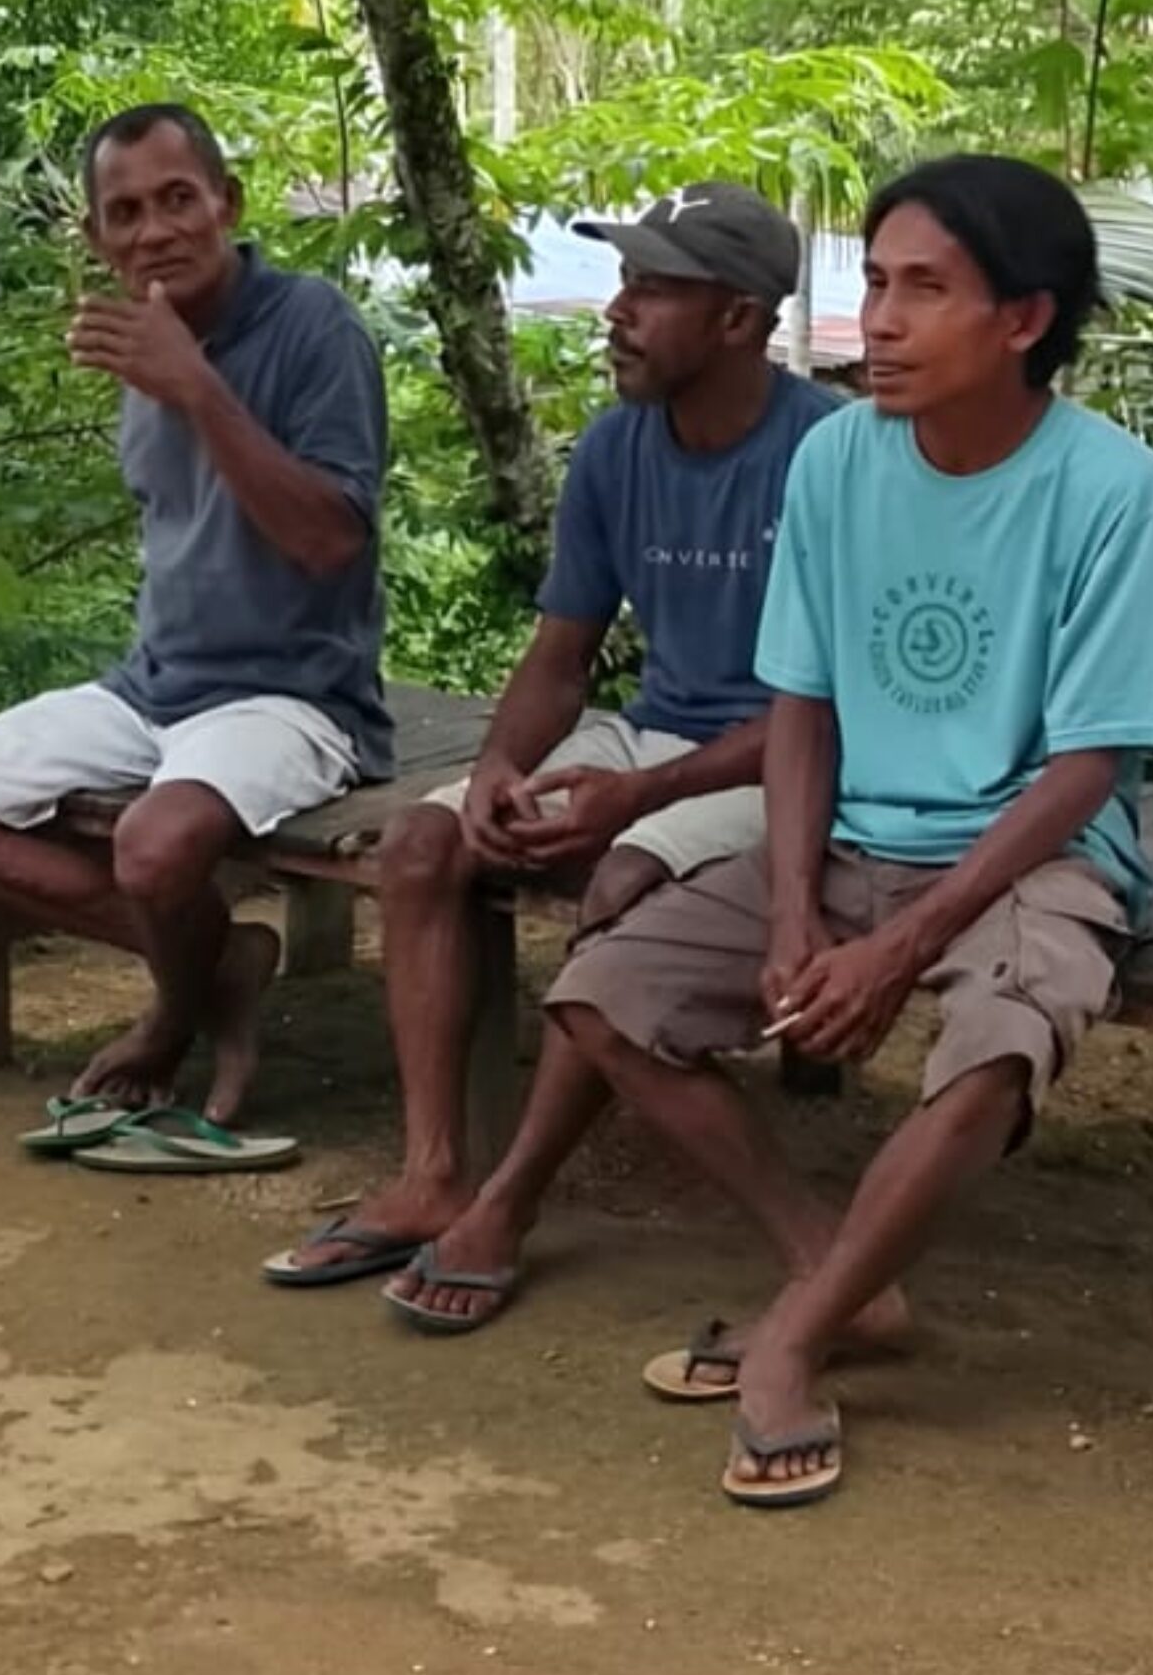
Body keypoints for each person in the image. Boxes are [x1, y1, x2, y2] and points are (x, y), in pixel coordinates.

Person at [542, 154, 1153, 1508]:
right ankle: (842, 1272)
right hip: (848, 841)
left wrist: (905, 942)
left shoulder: (1110, 491)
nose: (881, 322)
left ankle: (794, 1332)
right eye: (877, 284)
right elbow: (803, 707)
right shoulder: (839, 458)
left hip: (1030, 856)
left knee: (994, 1051)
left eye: (924, 290)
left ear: (1023, 320)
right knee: (604, 993)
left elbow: (1088, 766)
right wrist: (791, 912)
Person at [255, 184, 846, 1340]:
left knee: (619, 880)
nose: (616, 312)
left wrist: (638, 799)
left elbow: (827, 711)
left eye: (651, 290)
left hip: (784, 756)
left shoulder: (827, 456)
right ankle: (433, 1168)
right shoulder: (618, 446)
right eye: (622, 285)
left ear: (739, 319)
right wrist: (495, 773)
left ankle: (510, 1199)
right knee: (424, 844)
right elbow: (561, 653)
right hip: (656, 731)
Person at [0, 103, 390, 1128]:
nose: (154, 230)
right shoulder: (141, 346)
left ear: (227, 204)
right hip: (155, 683)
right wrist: (172, 372)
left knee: (155, 847)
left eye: (177, 199)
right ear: (96, 239)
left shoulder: (313, 327)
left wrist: (198, 388)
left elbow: (332, 541)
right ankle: (220, 967)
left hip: (295, 694)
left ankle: (174, 1013)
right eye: (124, 212)